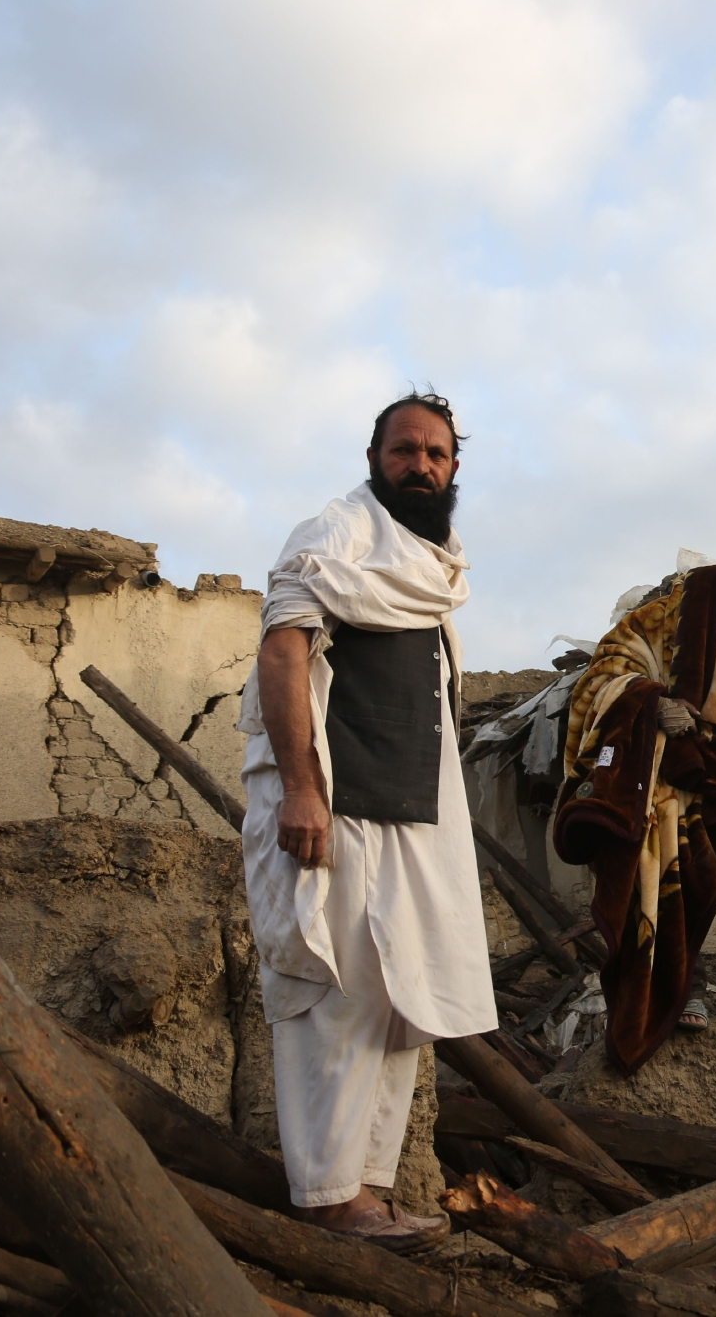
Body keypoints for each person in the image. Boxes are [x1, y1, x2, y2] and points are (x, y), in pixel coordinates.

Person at [234, 391, 497, 1250]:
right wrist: (303, 789)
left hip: (413, 815)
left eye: (437, 454)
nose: (420, 465)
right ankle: (323, 1197)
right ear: (375, 456)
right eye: (404, 450)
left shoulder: (434, 562)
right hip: (340, 807)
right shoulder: (337, 534)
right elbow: (284, 650)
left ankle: (367, 1193)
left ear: (455, 468)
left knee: (398, 1002)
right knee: (336, 999)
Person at [552, 540, 716, 1078]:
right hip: (674, 773)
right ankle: (685, 992)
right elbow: (608, 670)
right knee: (683, 874)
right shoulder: (670, 614)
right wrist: (653, 702)